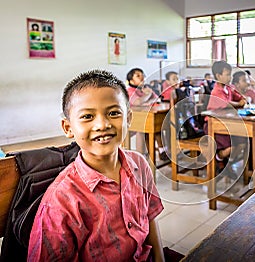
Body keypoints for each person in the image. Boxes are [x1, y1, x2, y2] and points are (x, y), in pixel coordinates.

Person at [27, 70, 165, 261]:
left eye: (114, 113)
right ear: (68, 128)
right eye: (87, 117)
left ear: (128, 119)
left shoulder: (139, 165)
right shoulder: (61, 202)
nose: (102, 124)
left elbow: (150, 218)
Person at [205, 61, 247, 176]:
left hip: (227, 124)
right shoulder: (216, 91)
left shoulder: (228, 88)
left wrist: (242, 99)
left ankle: (227, 163)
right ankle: (219, 158)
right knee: (231, 147)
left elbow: (238, 97)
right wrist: (239, 103)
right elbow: (227, 103)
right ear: (218, 76)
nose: (230, 77)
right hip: (213, 125)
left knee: (243, 143)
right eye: (227, 74)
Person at [126, 68, 168, 161]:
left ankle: (161, 150)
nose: (142, 78)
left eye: (143, 75)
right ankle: (141, 157)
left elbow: (158, 99)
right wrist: (148, 95)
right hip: (132, 121)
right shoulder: (130, 91)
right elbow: (137, 102)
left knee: (158, 125)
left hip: (147, 117)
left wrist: (147, 100)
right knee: (142, 130)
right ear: (131, 80)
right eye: (138, 76)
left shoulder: (144, 89)